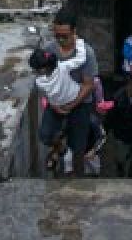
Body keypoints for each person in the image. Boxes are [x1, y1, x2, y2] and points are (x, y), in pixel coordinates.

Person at [37, 11, 100, 176]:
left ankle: (77, 180)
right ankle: (60, 149)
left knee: (78, 146)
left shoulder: (87, 53)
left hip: (80, 102)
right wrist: (54, 104)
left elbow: (88, 85)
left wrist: (71, 105)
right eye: (57, 36)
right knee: (45, 135)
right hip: (56, 101)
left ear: (74, 32)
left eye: (64, 36)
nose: (60, 40)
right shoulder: (49, 50)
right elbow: (45, 79)